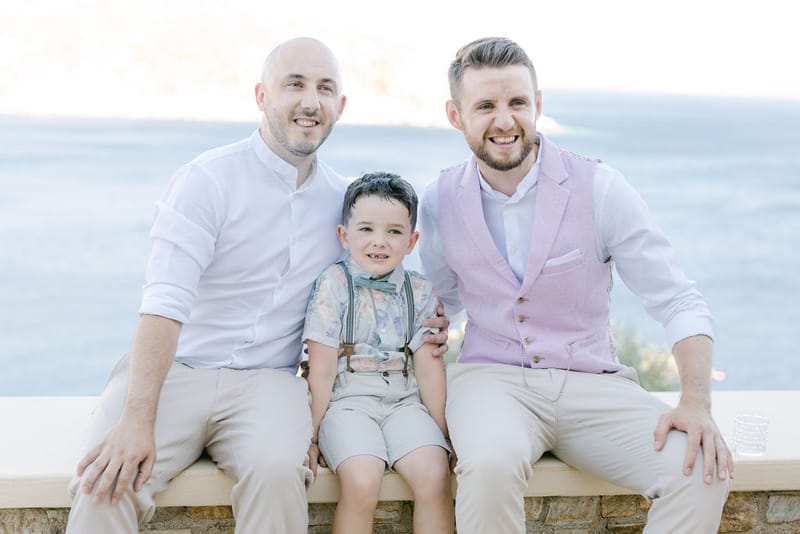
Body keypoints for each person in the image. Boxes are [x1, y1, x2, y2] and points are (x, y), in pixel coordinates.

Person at [65, 37, 447, 533]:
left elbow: (378, 280)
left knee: (278, 474)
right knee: (107, 482)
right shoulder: (206, 181)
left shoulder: (344, 206)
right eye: (295, 85)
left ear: (340, 106)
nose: (310, 101)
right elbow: (163, 303)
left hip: (268, 383)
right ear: (261, 96)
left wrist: (434, 319)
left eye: (325, 88)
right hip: (175, 372)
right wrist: (137, 417)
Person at [419, 37, 732, 533]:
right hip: (491, 382)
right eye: (485, 106)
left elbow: (677, 299)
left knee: (701, 472)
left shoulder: (601, 187)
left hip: (592, 382)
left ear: (538, 105)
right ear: (456, 116)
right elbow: (441, 307)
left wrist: (695, 402)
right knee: (489, 467)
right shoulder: (436, 201)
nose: (505, 120)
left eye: (517, 102)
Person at [304, 172, 454, 534]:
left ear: (412, 240)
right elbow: (321, 370)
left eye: (394, 232)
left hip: (404, 403)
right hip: (347, 404)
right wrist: (309, 436)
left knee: (434, 476)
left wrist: (447, 433)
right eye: (366, 229)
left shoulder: (418, 291)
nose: (379, 242)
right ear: (345, 235)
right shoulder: (333, 285)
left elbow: (429, 368)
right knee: (361, 478)